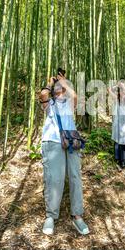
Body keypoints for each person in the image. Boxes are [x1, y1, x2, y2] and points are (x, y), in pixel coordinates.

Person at [39, 69, 90, 236]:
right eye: (57, 88)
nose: (60, 89)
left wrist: (65, 81)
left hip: (71, 141)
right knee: (55, 179)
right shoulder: (50, 104)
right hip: (52, 142)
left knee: (75, 176)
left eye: (63, 87)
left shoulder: (69, 102)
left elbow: (76, 98)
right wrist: (51, 82)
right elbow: (43, 95)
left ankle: (77, 215)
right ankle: (51, 216)